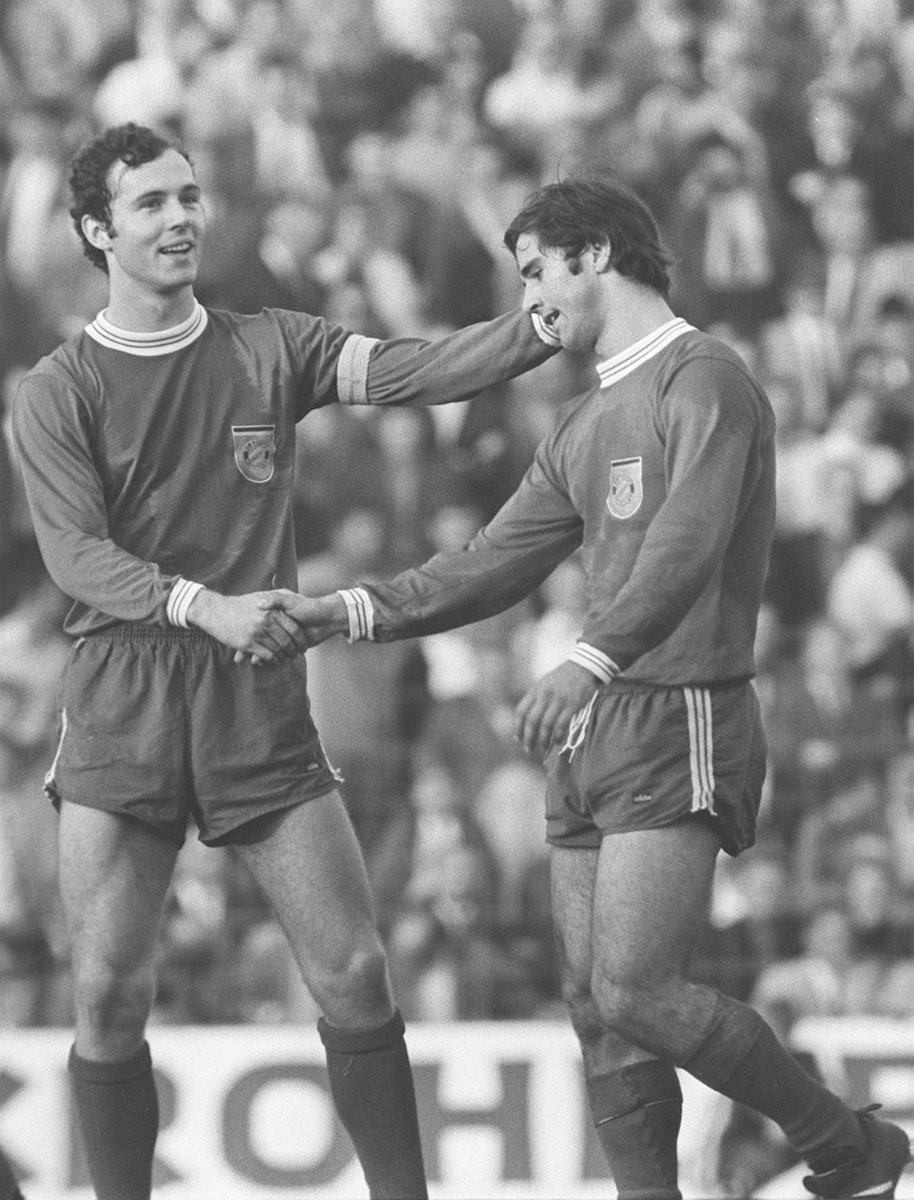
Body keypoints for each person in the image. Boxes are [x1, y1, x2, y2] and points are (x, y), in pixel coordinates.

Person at [272, 177, 913, 1200]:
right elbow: (490, 561)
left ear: (597, 255)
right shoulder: (582, 417)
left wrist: (584, 657)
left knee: (634, 987)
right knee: (588, 998)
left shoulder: (706, 378)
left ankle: (846, 1146)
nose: (529, 301)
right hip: (595, 721)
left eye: (535, 272)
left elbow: (688, 544)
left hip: (680, 704)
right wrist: (346, 611)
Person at [9, 121, 559, 1200]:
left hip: (253, 695)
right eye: (150, 205)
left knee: (355, 972)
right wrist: (197, 604)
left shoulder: (270, 344)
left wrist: (536, 327)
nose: (180, 219)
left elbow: (408, 369)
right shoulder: (60, 387)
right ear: (93, 231)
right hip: (124, 696)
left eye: (187, 196)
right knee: (111, 994)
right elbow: (75, 556)